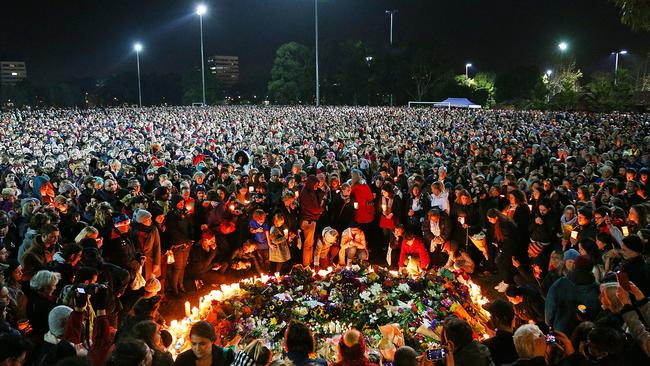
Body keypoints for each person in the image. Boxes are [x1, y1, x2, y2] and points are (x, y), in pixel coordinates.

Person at [545, 255, 600, 335]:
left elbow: (549, 309)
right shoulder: (597, 289)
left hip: (561, 333)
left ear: (575, 265)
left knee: (553, 345)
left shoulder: (560, 283)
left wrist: (550, 324)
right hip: (584, 335)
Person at [482, 299, 518, 366]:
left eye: (491, 316)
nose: (490, 318)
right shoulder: (522, 340)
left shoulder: (488, 346)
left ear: (496, 319)